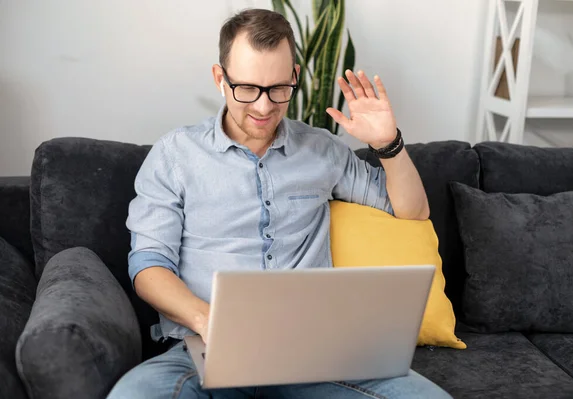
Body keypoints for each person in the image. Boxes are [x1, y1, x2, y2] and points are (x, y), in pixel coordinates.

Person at [107, 8, 451, 399]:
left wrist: (387, 144)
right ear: (220, 79)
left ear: (295, 78)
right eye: (247, 88)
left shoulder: (322, 149)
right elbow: (149, 265)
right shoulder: (175, 154)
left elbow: (411, 210)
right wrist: (209, 321)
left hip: (316, 356)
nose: (264, 107)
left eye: (278, 90)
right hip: (206, 350)